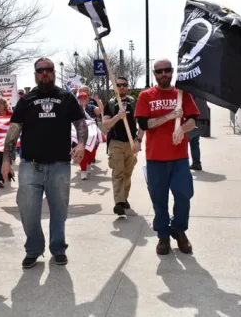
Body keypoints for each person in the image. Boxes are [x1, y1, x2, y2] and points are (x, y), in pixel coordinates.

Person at [1, 57, 88, 269]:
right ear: (35, 74)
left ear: (54, 72)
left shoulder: (66, 97)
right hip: (31, 166)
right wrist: (6, 160)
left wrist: (82, 144)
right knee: (28, 210)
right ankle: (33, 249)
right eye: (40, 70)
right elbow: (13, 131)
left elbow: (80, 123)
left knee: (59, 209)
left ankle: (58, 249)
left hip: (59, 165)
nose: (45, 73)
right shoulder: (26, 100)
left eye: (48, 69)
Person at [135, 58, 200, 255]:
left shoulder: (182, 94)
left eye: (167, 70)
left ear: (172, 72)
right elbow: (145, 124)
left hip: (179, 157)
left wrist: (182, 127)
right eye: (159, 71)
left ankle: (179, 231)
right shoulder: (146, 96)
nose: (164, 74)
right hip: (156, 158)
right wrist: (171, 116)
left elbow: (193, 120)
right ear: (154, 74)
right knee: (159, 199)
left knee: (183, 194)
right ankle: (163, 236)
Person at [103, 76, 143, 216]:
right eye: (119, 85)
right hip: (115, 143)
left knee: (127, 174)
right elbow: (105, 124)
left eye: (124, 85)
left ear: (128, 86)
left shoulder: (134, 102)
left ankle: (124, 198)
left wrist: (138, 140)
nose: (121, 87)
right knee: (118, 173)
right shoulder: (110, 103)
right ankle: (118, 203)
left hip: (131, 143)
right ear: (115, 87)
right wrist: (117, 117)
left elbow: (142, 124)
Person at [77, 91, 103, 179]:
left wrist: (97, 100)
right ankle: (83, 171)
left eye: (85, 98)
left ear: (88, 99)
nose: (83, 100)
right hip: (81, 133)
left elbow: (101, 110)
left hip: (92, 132)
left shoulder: (91, 107)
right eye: (81, 98)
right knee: (82, 151)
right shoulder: (76, 108)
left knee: (92, 151)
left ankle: (89, 163)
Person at [0, 97, 13, 187]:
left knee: (7, 159)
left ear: (5, 104)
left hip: (8, 140)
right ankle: (0, 179)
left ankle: (8, 175)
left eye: (1, 103)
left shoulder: (10, 114)